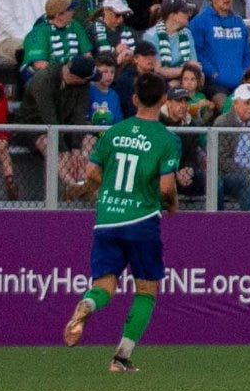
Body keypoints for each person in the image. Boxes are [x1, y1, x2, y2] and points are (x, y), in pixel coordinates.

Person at [65, 70, 187, 370]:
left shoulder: (114, 132)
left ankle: (88, 303)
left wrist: (86, 191)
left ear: (133, 99)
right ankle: (121, 357)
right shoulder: (167, 139)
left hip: (106, 219)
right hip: (142, 220)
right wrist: (172, 204)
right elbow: (166, 187)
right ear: (162, 100)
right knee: (146, 292)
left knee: (104, 285)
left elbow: (92, 174)